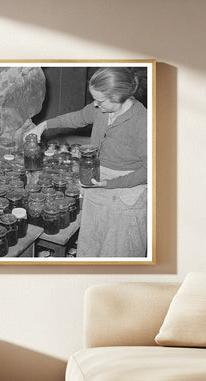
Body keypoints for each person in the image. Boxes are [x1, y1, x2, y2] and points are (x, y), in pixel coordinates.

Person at [28, 67, 148, 257]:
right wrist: (43, 126)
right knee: (92, 241)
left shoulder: (142, 122)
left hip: (129, 190)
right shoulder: (101, 110)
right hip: (99, 180)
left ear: (118, 96)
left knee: (118, 250)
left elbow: (150, 171)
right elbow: (76, 118)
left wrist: (110, 183)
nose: (94, 104)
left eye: (99, 100)